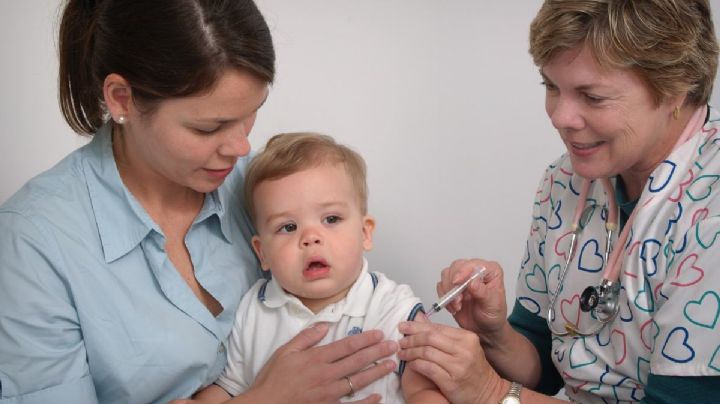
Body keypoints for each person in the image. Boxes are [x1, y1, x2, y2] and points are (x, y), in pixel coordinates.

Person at [0, 1, 397, 403]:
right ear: (122, 100)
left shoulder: (265, 190)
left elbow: (353, 301)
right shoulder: (33, 244)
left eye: (251, 114)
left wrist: (454, 363)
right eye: (209, 127)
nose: (241, 146)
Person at [397, 0, 720, 403]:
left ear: (676, 87)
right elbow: (547, 369)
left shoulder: (711, 214)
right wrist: (495, 336)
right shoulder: (565, 180)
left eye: (593, 97)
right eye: (551, 87)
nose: (559, 116)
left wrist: (490, 393)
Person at [172, 132, 447, 404]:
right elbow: (230, 387)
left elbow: (424, 390)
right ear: (262, 252)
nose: (310, 237)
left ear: (365, 233)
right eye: (288, 227)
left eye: (331, 219)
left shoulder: (392, 307)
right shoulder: (253, 311)